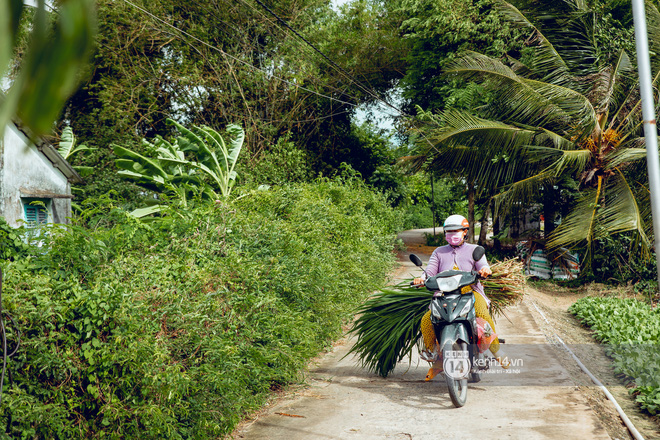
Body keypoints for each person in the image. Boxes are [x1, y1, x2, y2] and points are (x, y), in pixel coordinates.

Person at [413, 214, 503, 381]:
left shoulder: (474, 249)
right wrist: (422, 278)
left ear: (465, 232)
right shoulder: (439, 252)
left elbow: (483, 265)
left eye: (456, 231)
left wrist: (485, 270)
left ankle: (497, 352)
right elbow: (430, 272)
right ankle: (434, 354)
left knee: (482, 314)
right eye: (448, 231)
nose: (452, 234)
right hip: (443, 294)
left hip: (470, 292)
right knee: (427, 320)